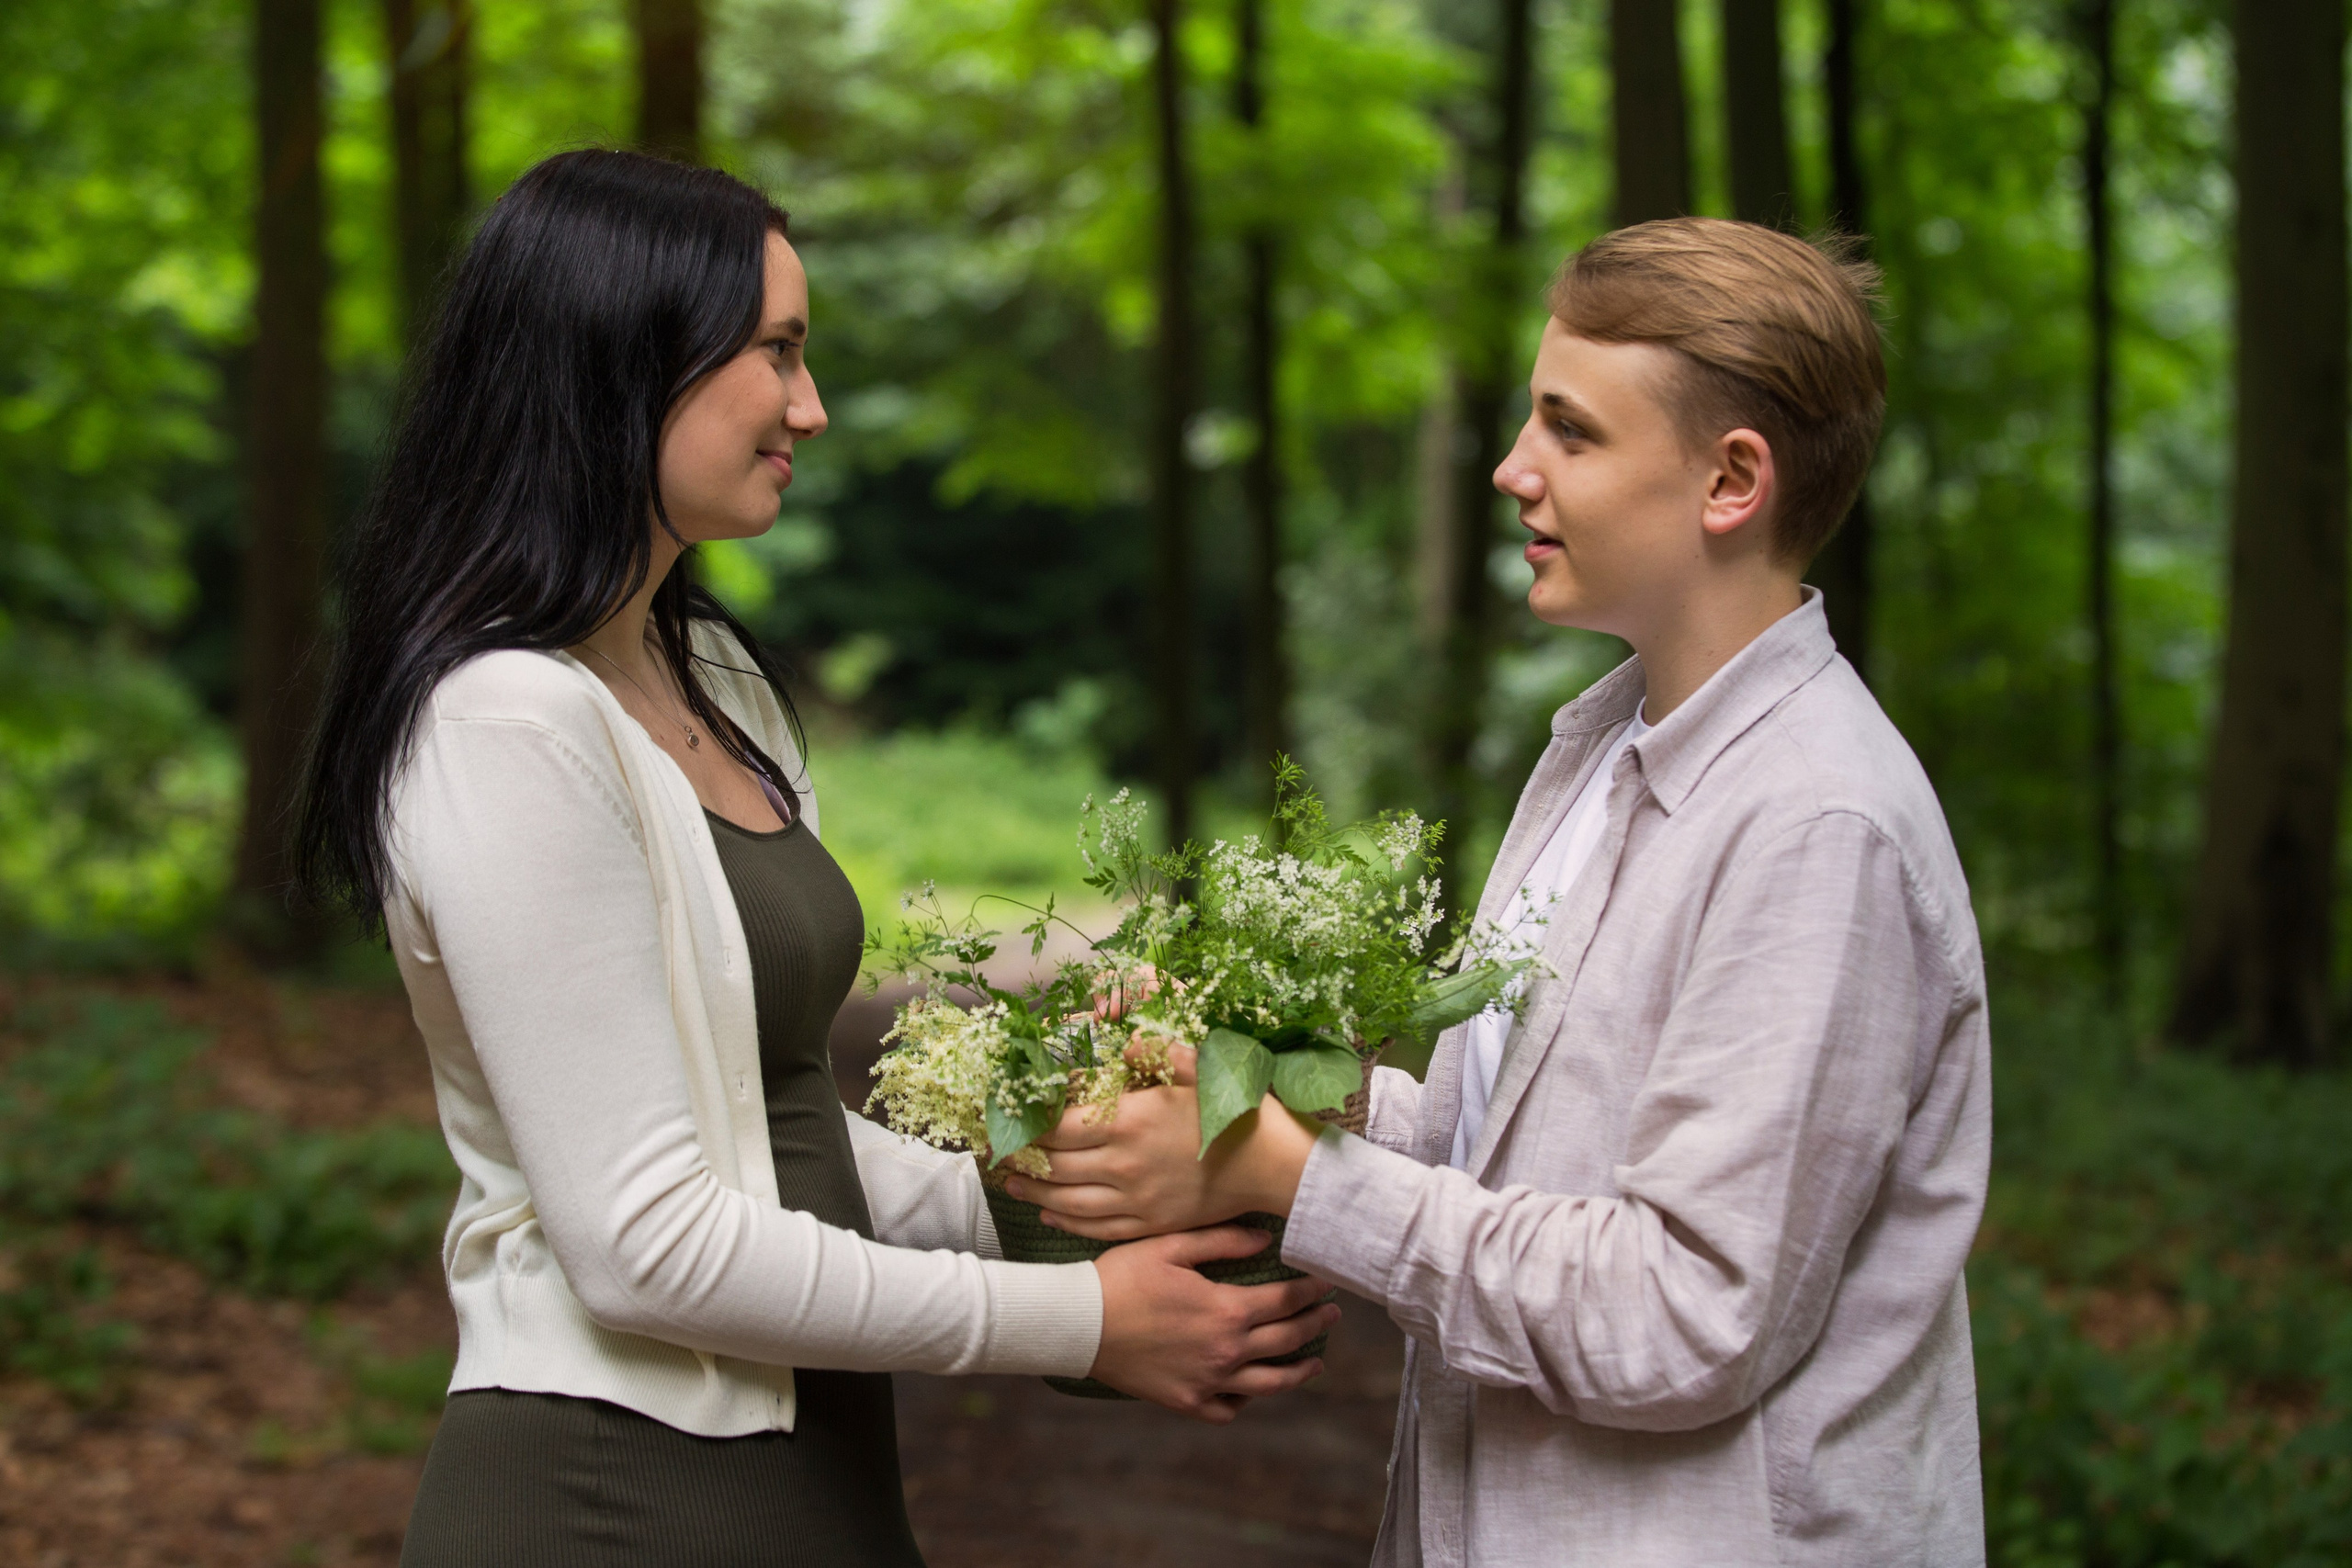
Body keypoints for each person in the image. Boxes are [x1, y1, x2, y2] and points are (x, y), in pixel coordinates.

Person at [293, 149, 1336, 1568]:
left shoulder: (709, 679)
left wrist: (1058, 1180)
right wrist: (1077, 1319)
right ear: (627, 357)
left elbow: (766, 1128)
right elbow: (646, 1244)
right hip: (613, 1493)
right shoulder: (509, 722)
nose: (811, 406)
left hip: (812, 1477)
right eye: (777, 352)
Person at [1016, 218, 1991, 1566]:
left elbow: (1684, 1312)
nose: (1512, 467)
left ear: (1731, 481)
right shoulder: (1600, 753)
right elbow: (1516, 1146)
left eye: (1570, 432)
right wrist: (1272, 1091)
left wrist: (1283, 1175)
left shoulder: (1818, 829)